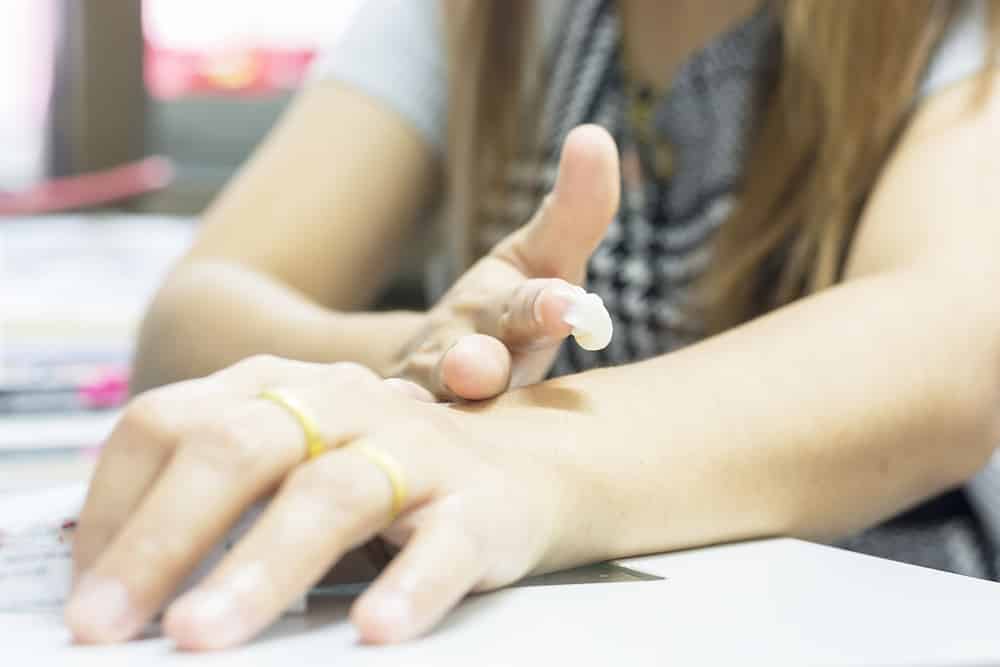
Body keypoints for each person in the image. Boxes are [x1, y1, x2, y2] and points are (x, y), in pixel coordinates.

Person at [66, 0, 1000, 651]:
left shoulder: (951, 27)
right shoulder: (476, 15)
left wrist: (514, 453)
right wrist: (413, 370)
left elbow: (948, 345)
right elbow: (196, 314)